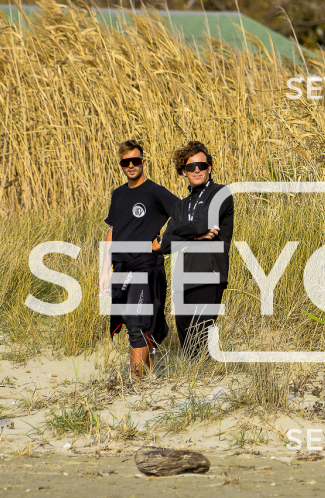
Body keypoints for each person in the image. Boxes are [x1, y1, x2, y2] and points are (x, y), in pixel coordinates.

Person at [99, 140, 179, 379]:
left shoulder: (155, 191)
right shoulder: (118, 194)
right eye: (126, 162)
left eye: (135, 160)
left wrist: (162, 242)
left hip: (145, 267)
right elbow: (112, 231)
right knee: (133, 322)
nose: (131, 165)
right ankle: (149, 376)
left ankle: (135, 382)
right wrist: (104, 271)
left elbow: (182, 213)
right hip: (121, 268)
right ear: (121, 165)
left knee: (137, 323)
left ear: (144, 162)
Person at [157, 141, 234, 359]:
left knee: (200, 338)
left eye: (202, 165)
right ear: (184, 171)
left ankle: (206, 376)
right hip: (182, 278)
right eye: (191, 166)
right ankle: (194, 376)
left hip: (209, 274)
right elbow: (165, 244)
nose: (197, 170)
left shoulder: (221, 193)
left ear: (209, 168)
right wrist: (194, 236)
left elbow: (201, 225)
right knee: (188, 346)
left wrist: (181, 232)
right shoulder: (179, 206)